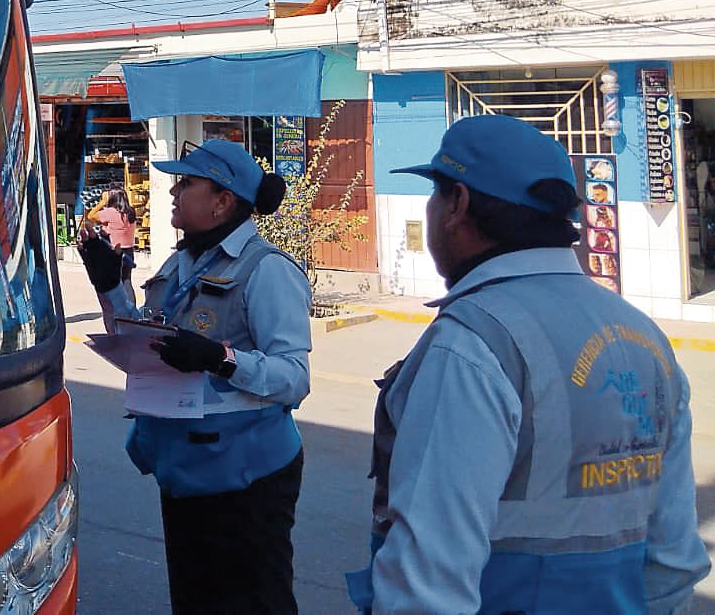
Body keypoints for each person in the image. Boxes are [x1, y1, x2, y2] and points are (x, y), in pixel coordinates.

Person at [345, 115, 709, 614]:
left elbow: (426, 588)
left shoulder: (473, 343)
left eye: (435, 194)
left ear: (458, 204)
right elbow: (674, 563)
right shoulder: (643, 337)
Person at [78, 139, 311, 614]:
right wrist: (108, 286)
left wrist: (218, 358)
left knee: (254, 603)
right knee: (195, 600)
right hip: (185, 468)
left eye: (186, 183)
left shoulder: (266, 270)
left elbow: (294, 378)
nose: (172, 192)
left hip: (247, 474)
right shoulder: (181, 262)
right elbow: (144, 346)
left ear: (223, 201)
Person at [83, 185, 139, 330]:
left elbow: (91, 216)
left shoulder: (110, 212)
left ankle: (115, 318)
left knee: (112, 286)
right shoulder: (130, 212)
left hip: (114, 253)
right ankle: (131, 315)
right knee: (127, 281)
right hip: (129, 251)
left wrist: (102, 201)